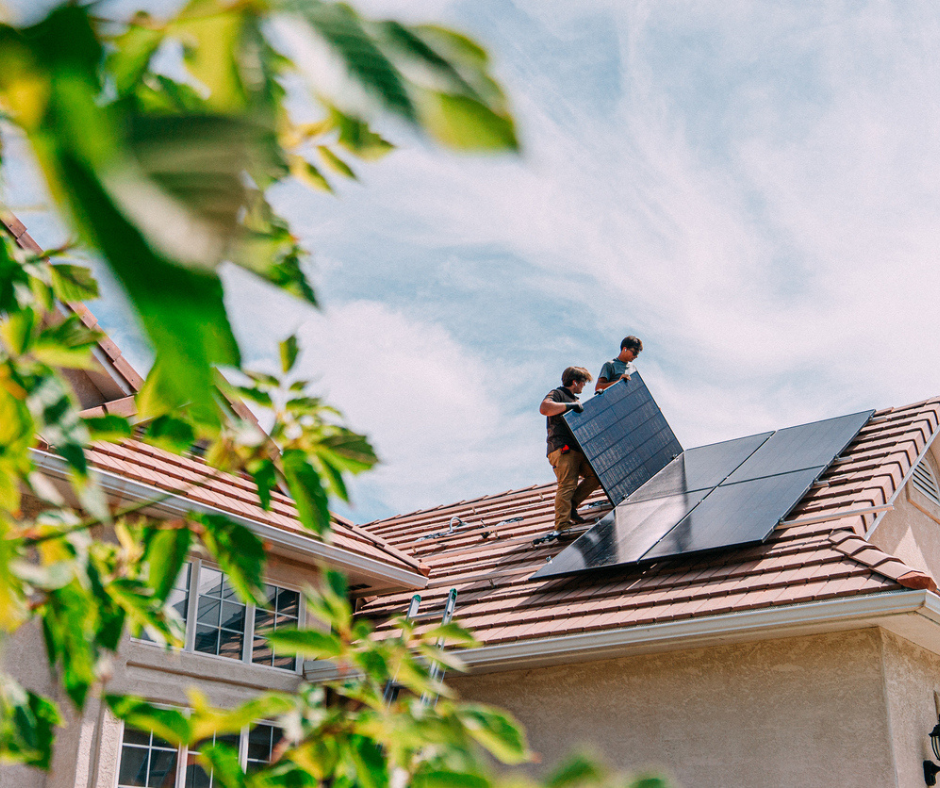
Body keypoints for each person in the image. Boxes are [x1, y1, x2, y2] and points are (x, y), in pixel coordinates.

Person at [539, 366, 601, 534]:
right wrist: (570, 405)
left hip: (577, 450)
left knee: (596, 475)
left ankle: (571, 506)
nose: (583, 387)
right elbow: (545, 408)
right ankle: (562, 525)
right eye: (583, 383)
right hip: (562, 448)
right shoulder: (557, 394)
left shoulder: (574, 400)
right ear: (575, 382)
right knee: (567, 484)